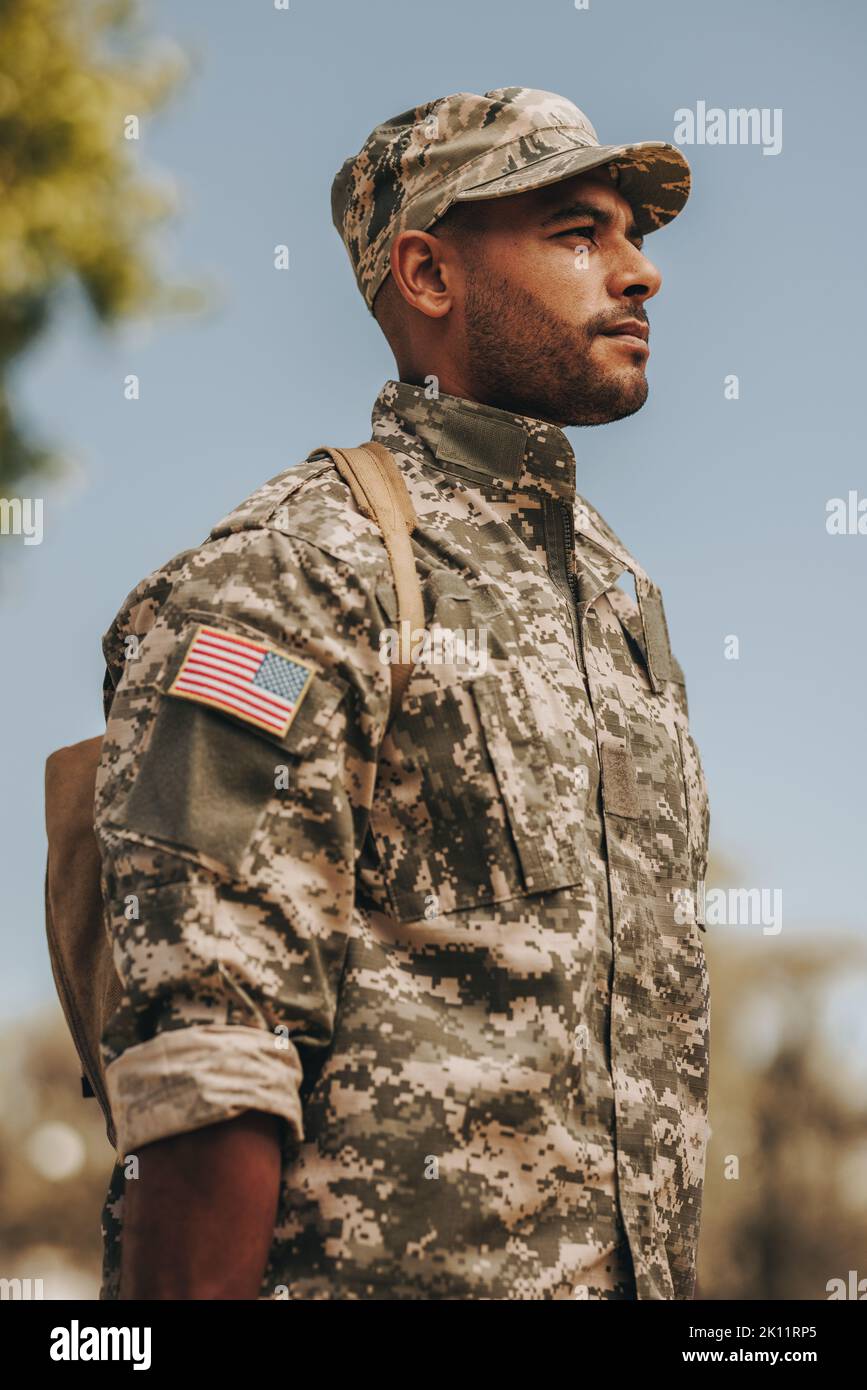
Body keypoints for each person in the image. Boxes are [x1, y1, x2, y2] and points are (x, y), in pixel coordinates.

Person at [96, 86, 710, 1301]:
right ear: (427, 274)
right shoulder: (298, 563)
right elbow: (211, 1045)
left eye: (636, 234)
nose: (640, 272)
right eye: (580, 231)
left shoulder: (617, 592)